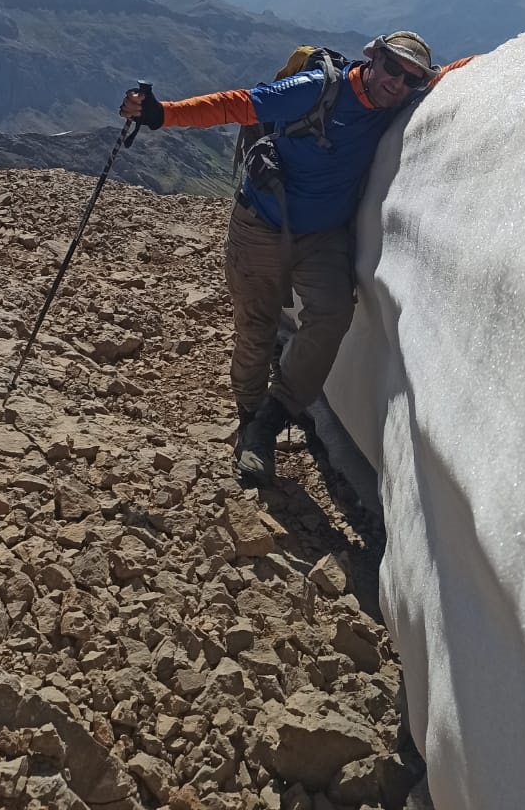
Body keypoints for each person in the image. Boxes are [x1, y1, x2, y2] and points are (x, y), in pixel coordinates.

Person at [121, 31, 467, 486]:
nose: (398, 83)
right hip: (260, 225)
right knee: (256, 328)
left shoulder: (396, 99)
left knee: (332, 313)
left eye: (410, 78)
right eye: (393, 68)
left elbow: (450, 73)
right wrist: (161, 114)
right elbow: (240, 104)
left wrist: (517, 52)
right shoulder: (317, 89)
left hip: (322, 236)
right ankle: (249, 420)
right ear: (374, 58)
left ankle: (269, 419)